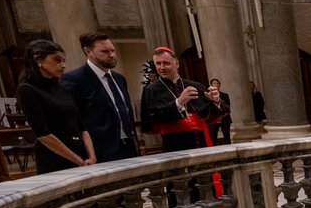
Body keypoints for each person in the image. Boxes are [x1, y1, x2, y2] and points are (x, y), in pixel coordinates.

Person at [14, 39, 96, 174]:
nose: (63, 65)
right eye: (57, 60)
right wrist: (78, 161)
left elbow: (82, 127)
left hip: (81, 154)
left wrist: (91, 157)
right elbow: (43, 134)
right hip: (55, 157)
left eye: (64, 61)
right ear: (38, 60)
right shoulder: (27, 89)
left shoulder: (60, 87)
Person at [59, 31, 139, 163]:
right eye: (105, 52)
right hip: (101, 150)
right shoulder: (74, 79)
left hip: (128, 146)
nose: (112, 55)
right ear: (88, 51)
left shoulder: (119, 78)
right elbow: (74, 118)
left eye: (113, 50)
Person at [139, 47, 223, 152]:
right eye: (158, 64)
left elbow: (211, 116)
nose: (162, 67)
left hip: (202, 143)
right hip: (175, 145)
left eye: (166, 63)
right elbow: (153, 118)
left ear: (177, 64)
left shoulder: (195, 86)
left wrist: (215, 101)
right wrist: (179, 102)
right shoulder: (151, 90)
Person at [208, 77, 232, 145]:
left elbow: (227, 107)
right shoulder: (208, 96)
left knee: (227, 137)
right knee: (212, 137)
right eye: (215, 83)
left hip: (225, 118)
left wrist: (221, 116)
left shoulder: (225, 95)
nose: (217, 85)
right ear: (211, 85)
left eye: (218, 83)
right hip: (214, 119)